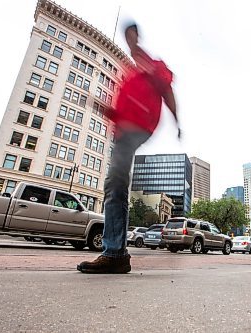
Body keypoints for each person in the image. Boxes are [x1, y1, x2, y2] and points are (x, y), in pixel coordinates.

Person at [77, 22, 180, 274]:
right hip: (124, 131)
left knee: (115, 184)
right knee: (117, 185)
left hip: (137, 128)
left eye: (131, 38)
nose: (130, 45)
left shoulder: (154, 67)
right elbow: (124, 110)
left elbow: (166, 89)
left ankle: (114, 253)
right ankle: (116, 252)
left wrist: (177, 120)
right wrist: (105, 109)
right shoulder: (131, 76)